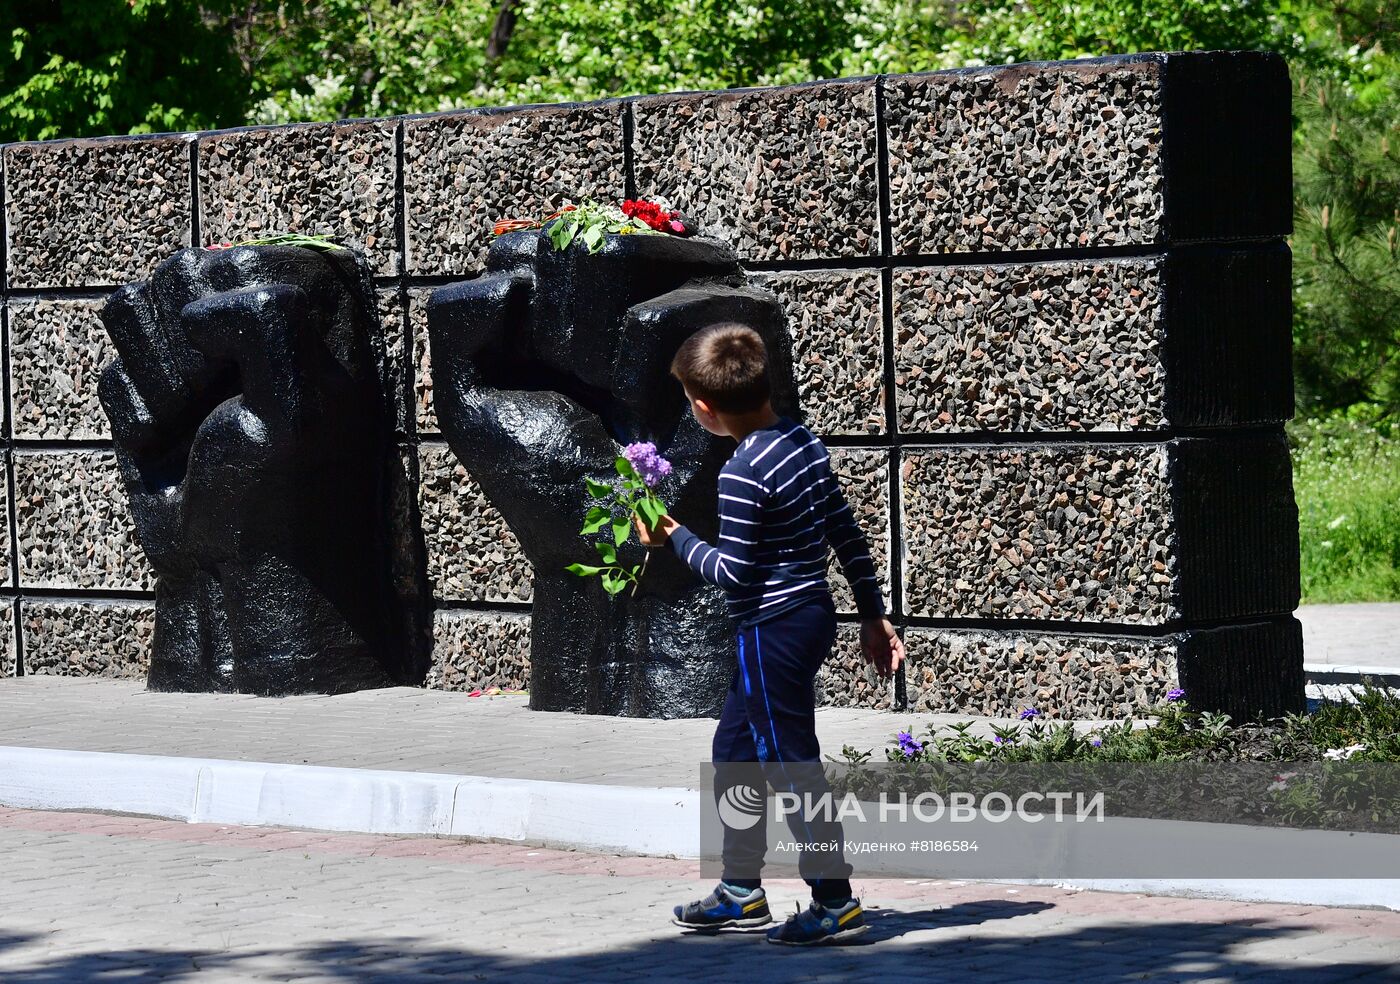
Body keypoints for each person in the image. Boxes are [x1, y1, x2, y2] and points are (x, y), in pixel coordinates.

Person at [635, 322, 905, 946]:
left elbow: (734, 575)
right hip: (811, 615)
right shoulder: (802, 442)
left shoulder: (742, 471)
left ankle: (834, 900)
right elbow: (846, 533)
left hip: (770, 629)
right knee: (734, 751)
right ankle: (740, 891)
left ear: (702, 407)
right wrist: (872, 612)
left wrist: (673, 537)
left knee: (789, 764)